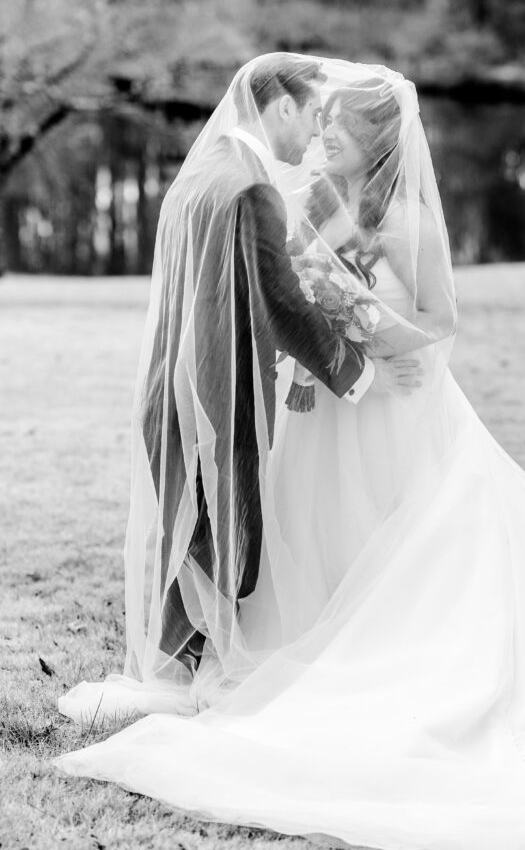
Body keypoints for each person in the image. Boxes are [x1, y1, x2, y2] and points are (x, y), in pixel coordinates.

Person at [57, 58, 525, 850]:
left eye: (337, 127)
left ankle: (382, 654)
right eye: (318, 121)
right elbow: (292, 286)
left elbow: (434, 324)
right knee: (310, 528)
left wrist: (370, 335)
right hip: (324, 409)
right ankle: (301, 646)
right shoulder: (312, 200)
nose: (322, 135)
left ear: (373, 141)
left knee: (394, 540)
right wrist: (335, 321)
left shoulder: (408, 223)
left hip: (391, 412)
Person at [58, 53, 422, 720]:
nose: (313, 136)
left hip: (171, 389)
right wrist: (363, 372)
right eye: (311, 117)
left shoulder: (199, 176)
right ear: (280, 106)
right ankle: (175, 685)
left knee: (193, 529)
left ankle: (173, 674)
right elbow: (278, 304)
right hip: (218, 393)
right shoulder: (250, 188)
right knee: (225, 538)